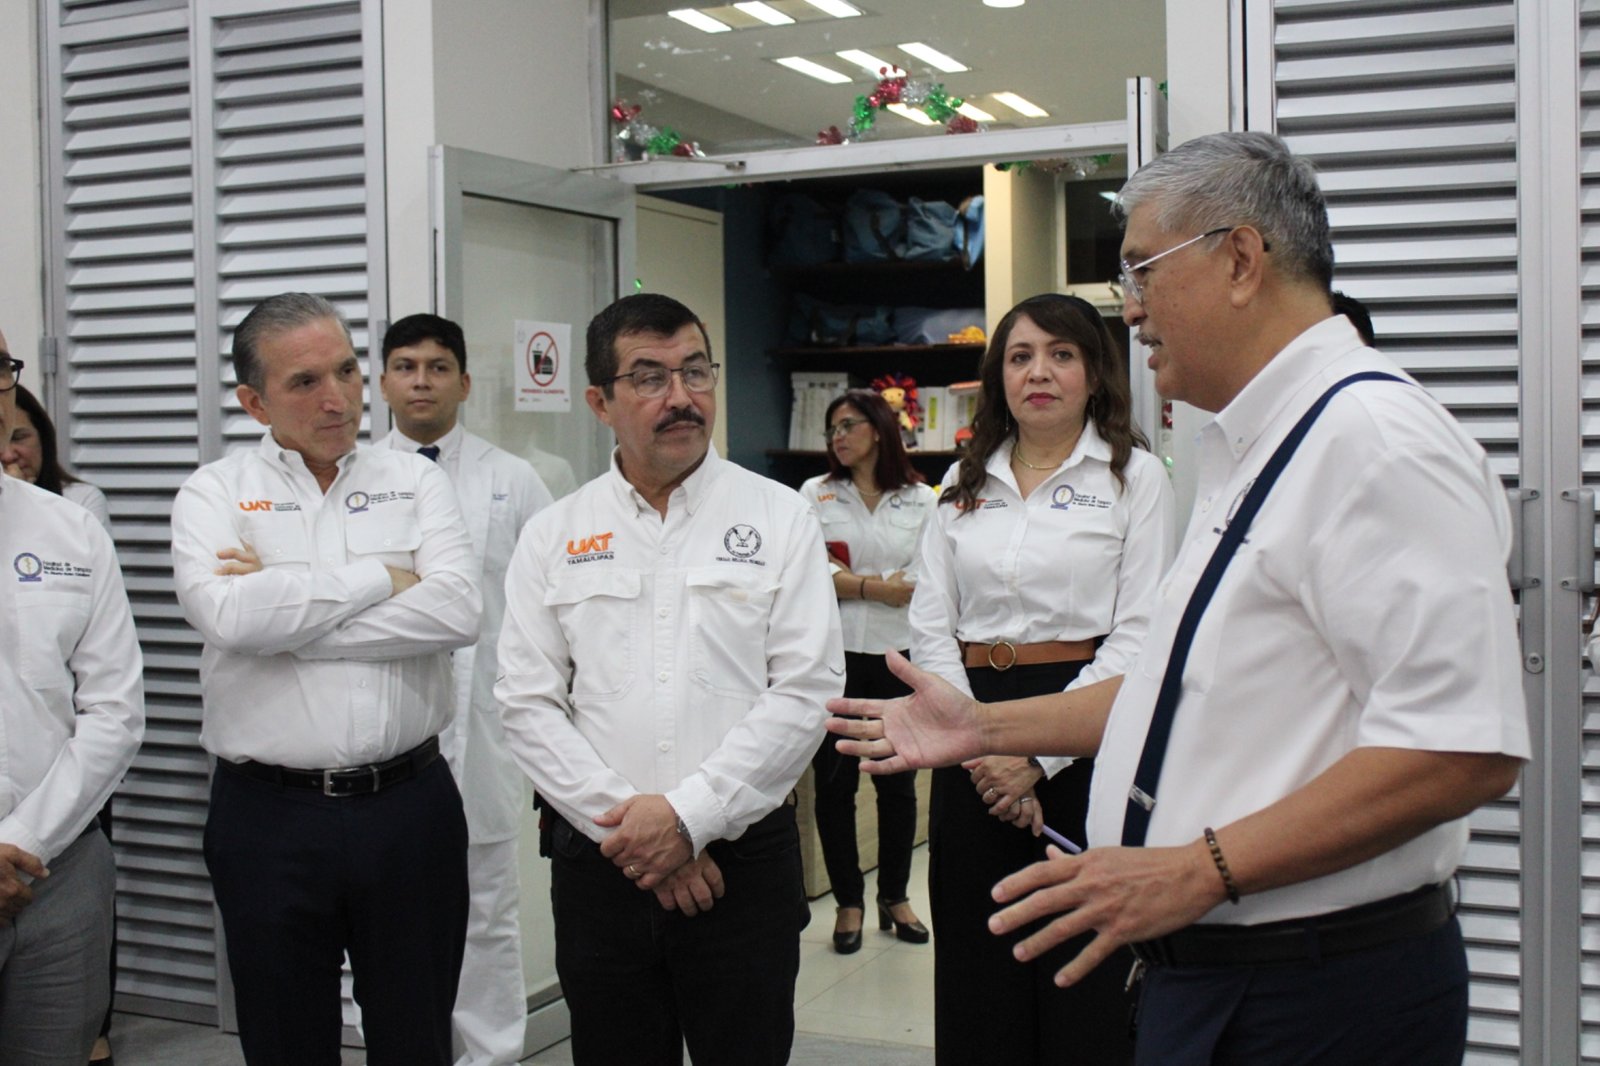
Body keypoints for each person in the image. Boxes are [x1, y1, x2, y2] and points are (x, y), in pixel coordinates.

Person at [827, 132, 1529, 1066]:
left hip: (1310, 988)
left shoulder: (1372, 443)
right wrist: (986, 731)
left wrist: (1197, 871)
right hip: (1222, 971)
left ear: (1240, 260)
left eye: (1143, 272)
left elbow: (1459, 750)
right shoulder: (1256, 446)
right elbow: (1182, 685)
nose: (1134, 310)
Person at [494, 292, 844, 1066]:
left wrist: (688, 819)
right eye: (649, 378)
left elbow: (806, 691)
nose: (681, 397)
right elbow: (527, 705)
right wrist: (636, 835)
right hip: (601, 864)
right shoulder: (554, 533)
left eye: (695, 371)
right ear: (599, 401)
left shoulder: (782, 518)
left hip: (743, 862)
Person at [170, 293, 482, 1065]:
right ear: (254, 401)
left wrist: (284, 600)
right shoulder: (212, 492)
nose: (337, 398)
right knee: (284, 1042)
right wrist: (384, 573)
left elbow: (457, 612)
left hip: (409, 810)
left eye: (346, 370)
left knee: (416, 1040)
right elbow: (230, 620)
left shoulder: (415, 480)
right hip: (268, 819)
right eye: (306, 382)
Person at [910, 292, 1174, 1065]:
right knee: (976, 960)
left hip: (1086, 733)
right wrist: (975, 742)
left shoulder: (1135, 479)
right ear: (1000, 376)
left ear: (1095, 373)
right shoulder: (962, 482)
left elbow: (1140, 635)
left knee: (1078, 969)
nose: (1039, 373)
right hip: (965, 737)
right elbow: (931, 623)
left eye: (1061, 355)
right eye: (1020, 357)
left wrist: (1034, 755)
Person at [377, 313, 553, 1066]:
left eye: (438, 366)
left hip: (484, 731)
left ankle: (490, 1055)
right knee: (386, 915)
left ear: (465, 382)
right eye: (407, 366)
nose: (422, 380)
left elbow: (551, 606)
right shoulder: (352, 479)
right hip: (386, 730)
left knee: (487, 912)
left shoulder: (512, 480)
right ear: (383, 381)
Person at [0, 331, 145, 1062]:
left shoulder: (70, 529)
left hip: (60, 870)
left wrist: (23, 842)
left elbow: (115, 711)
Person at [798, 388, 935, 954]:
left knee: (897, 784)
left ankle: (896, 896)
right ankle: (849, 901)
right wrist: (878, 588)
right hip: (834, 660)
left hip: (896, 657)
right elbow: (810, 572)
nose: (837, 436)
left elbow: (923, 583)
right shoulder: (816, 494)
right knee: (834, 786)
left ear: (878, 429)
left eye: (847, 424)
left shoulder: (922, 499)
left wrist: (851, 585)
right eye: (831, 428)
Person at [10, 385, 112, 534]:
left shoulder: (81, 499)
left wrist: (24, 499)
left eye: (19, 438)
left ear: (43, 438)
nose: (8, 455)